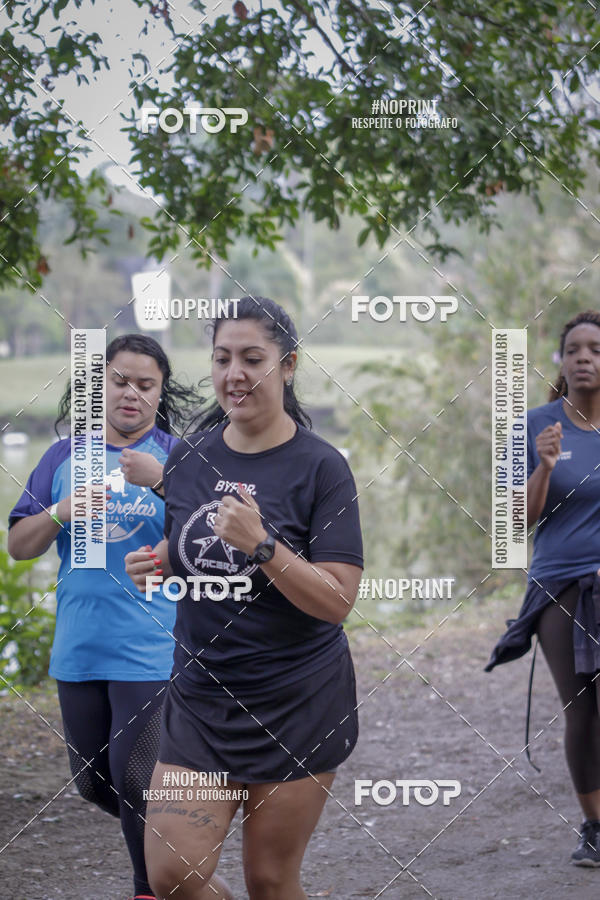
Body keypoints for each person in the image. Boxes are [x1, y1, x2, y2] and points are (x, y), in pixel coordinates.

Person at [125, 296, 364, 900]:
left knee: (270, 880)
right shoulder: (189, 455)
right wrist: (158, 565)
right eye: (223, 358)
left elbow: (337, 601)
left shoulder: (322, 468)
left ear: (287, 365)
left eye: (252, 358)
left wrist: (264, 545)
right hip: (202, 701)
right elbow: (195, 551)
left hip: (296, 700)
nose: (235, 373)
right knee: (173, 876)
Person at [8, 333, 205, 900]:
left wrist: (164, 482)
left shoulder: (179, 458)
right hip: (79, 645)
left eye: (146, 385)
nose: (131, 394)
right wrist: (60, 510)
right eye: (120, 380)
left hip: (151, 643)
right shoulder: (64, 457)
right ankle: (189, 828)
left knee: (135, 775)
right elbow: (20, 545)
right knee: (94, 784)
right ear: (102, 385)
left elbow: (211, 536)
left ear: (160, 393)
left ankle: (150, 888)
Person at [486, 309, 600, 867]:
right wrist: (545, 468)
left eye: (596, 349)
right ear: (561, 359)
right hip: (561, 586)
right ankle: (595, 827)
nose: (584, 357)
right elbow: (513, 524)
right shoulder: (531, 427)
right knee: (581, 708)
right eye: (574, 348)